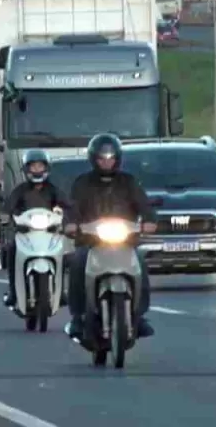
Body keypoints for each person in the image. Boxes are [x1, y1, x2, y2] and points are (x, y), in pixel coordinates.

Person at [63, 133, 157, 339]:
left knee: (140, 262)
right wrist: (71, 224)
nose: (107, 162)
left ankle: (139, 315)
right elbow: (72, 207)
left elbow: (144, 204)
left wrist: (150, 220)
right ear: (93, 159)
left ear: (118, 159)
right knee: (78, 262)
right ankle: (78, 316)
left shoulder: (129, 182)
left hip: (124, 242)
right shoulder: (82, 183)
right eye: (102, 158)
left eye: (111, 158)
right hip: (91, 242)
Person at [2, 149, 71, 310]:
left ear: (46, 168)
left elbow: (68, 205)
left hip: (49, 233)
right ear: (27, 169)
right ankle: (13, 292)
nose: (37, 170)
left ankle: (60, 292)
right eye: (33, 166)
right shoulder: (21, 190)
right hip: (26, 233)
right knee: (11, 249)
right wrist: (6, 216)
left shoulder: (52, 189)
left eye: (40, 166)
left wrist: (69, 218)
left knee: (62, 254)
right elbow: (9, 206)